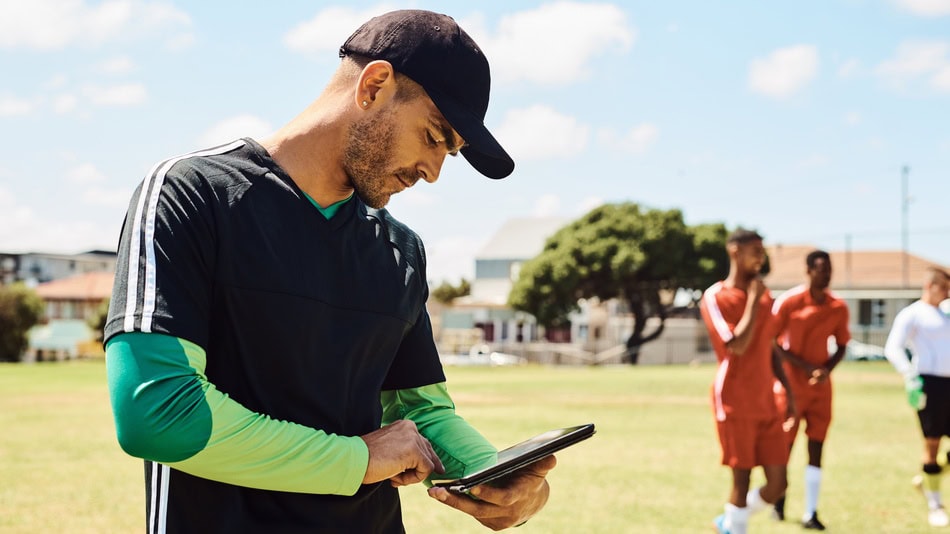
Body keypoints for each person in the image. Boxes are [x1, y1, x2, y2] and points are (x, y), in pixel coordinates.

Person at [103, 9, 554, 533]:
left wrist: (497, 478)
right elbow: (158, 416)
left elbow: (420, 413)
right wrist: (357, 461)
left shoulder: (401, 250)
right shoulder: (192, 194)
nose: (433, 172)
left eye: (448, 153)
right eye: (434, 137)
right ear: (375, 86)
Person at [700, 229, 794, 534]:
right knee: (742, 481)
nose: (760, 256)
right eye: (755, 249)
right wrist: (753, 300)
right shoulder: (716, 296)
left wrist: (789, 394)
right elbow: (736, 345)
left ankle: (727, 523)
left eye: (762, 250)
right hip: (734, 398)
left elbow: (771, 349)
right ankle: (734, 525)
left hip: (766, 400)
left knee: (779, 483)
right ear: (734, 251)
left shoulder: (765, 298)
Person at [769, 250, 850, 530]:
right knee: (784, 446)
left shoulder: (837, 306)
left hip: (819, 387)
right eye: (820, 269)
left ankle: (810, 512)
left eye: (829, 269)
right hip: (789, 385)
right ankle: (778, 500)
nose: (826, 274)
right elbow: (772, 342)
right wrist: (803, 366)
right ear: (808, 270)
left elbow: (841, 344)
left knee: (816, 446)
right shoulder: (790, 302)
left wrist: (825, 369)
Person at [884, 266, 950, 528]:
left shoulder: (947, 312)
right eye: (944, 287)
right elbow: (893, 347)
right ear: (930, 286)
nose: (947, 293)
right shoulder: (912, 314)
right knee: (932, 444)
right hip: (929, 384)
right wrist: (909, 374)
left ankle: (928, 478)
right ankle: (935, 504)